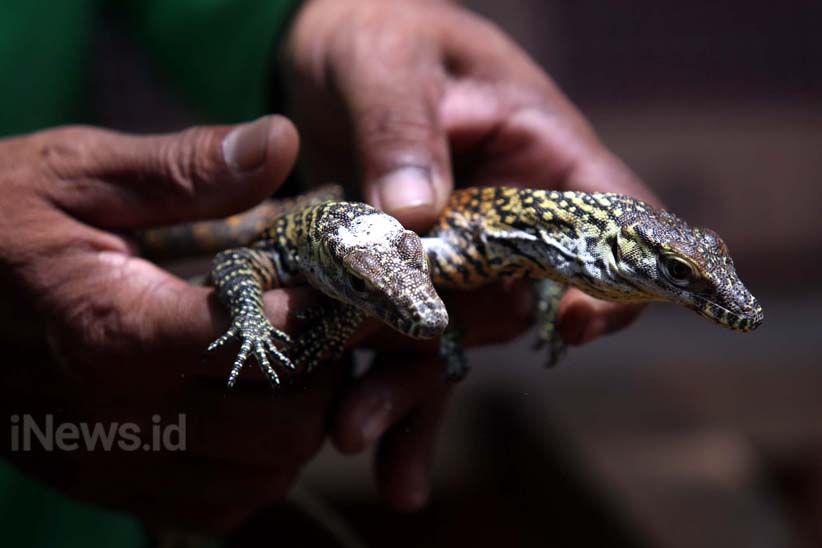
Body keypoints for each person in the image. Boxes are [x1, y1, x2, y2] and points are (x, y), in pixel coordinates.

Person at [0, 0, 658, 542]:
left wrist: (323, 18)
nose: (418, 301)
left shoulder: (381, 249)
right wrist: (253, 322)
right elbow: (238, 263)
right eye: (374, 288)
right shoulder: (291, 251)